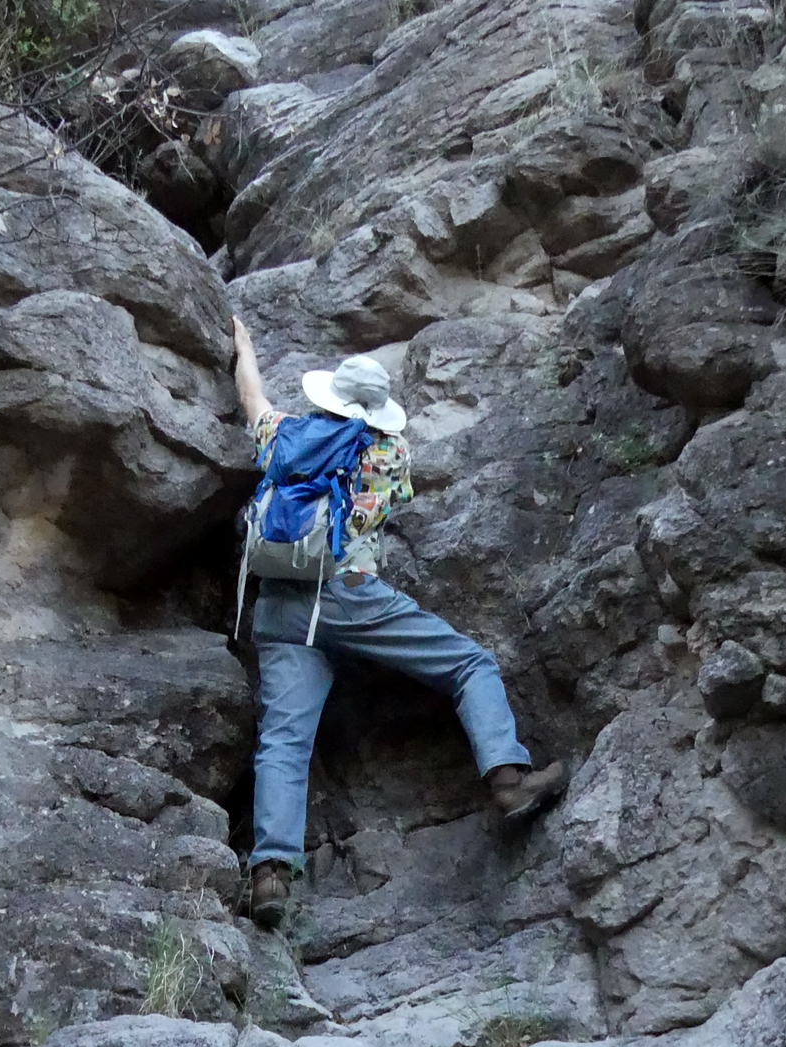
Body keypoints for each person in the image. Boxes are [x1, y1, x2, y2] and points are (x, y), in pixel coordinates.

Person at [232, 315, 566, 928]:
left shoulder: (285, 435)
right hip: (351, 595)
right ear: (377, 410)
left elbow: (252, 399)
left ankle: (271, 875)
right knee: (469, 663)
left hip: (281, 603)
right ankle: (509, 778)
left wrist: (244, 348)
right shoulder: (388, 451)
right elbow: (395, 499)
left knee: (284, 740)